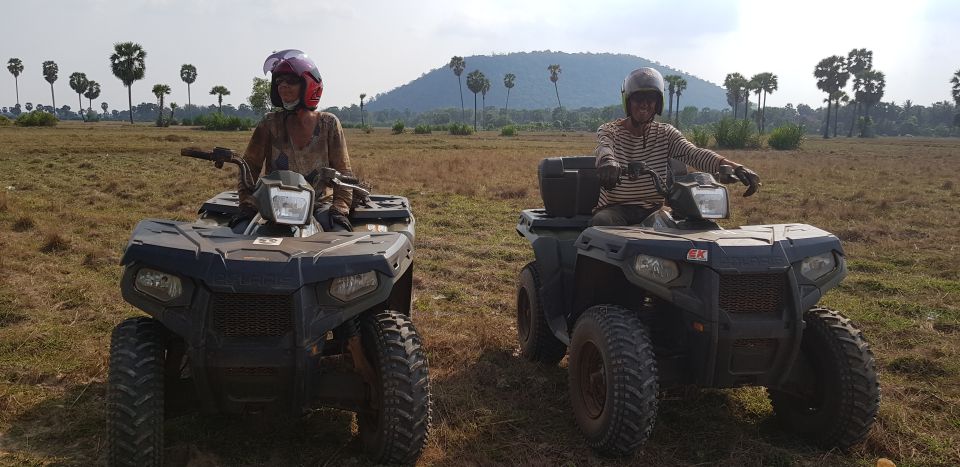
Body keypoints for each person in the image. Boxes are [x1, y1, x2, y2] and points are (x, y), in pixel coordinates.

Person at [591, 67, 761, 226]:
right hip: (617, 209)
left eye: (651, 99)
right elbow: (604, 148)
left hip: (654, 209)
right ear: (628, 101)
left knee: (690, 229)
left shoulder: (665, 133)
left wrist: (736, 167)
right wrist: (608, 163)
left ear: (658, 104)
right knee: (602, 222)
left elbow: (694, 154)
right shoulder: (610, 130)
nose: (644, 104)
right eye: (638, 98)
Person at [231, 49, 354, 233]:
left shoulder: (329, 124)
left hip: (319, 205)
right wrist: (247, 204)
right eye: (279, 82)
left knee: (340, 239)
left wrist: (340, 210)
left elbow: (344, 174)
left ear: (309, 84)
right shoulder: (269, 123)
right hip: (273, 204)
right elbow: (249, 168)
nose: (283, 86)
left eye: (291, 81)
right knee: (239, 233)